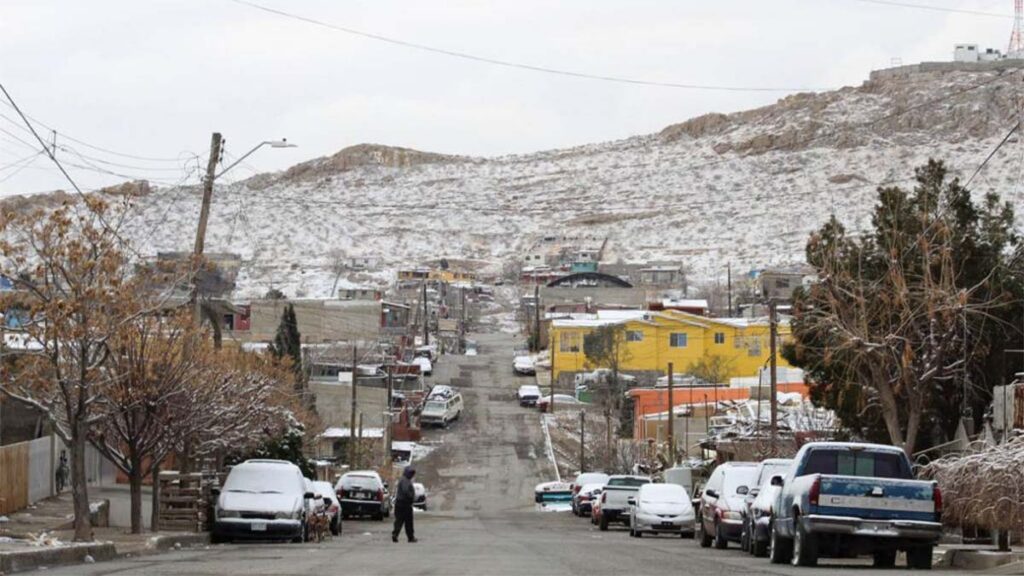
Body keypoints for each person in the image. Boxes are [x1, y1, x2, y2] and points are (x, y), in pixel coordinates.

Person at [392, 466, 417, 543]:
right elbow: (406, 491)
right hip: (404, 504)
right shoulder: (405, 480)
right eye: (410, 473)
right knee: (408, 522)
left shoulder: (404, 480)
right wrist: (410, 497)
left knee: (399, 521)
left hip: (400, 503)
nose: (412, 475)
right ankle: (410, 537)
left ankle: (395, 534)